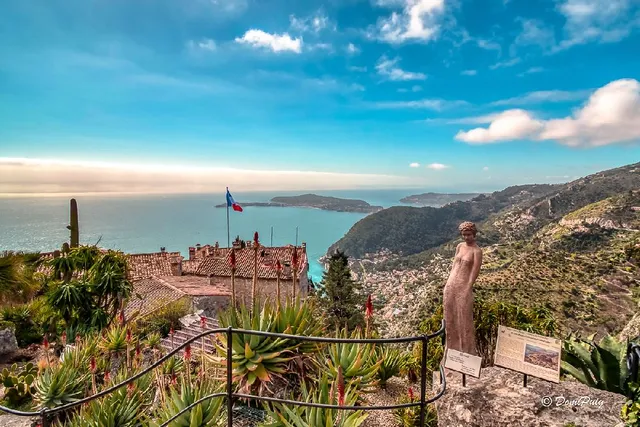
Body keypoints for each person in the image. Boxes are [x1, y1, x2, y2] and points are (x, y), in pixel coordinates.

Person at [443, 221, 483, 356]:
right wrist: (448, 284)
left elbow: (474, 272)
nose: (466, 237)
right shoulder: (459, 246)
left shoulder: (477, 251)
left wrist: (467, 288)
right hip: (451, 285)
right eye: (464, 235)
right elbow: (454, 266)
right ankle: (451, 351)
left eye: (469, 234)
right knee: (450, 318)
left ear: (474, 234)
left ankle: (466, 352)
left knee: (464, 320)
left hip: (463, 286)